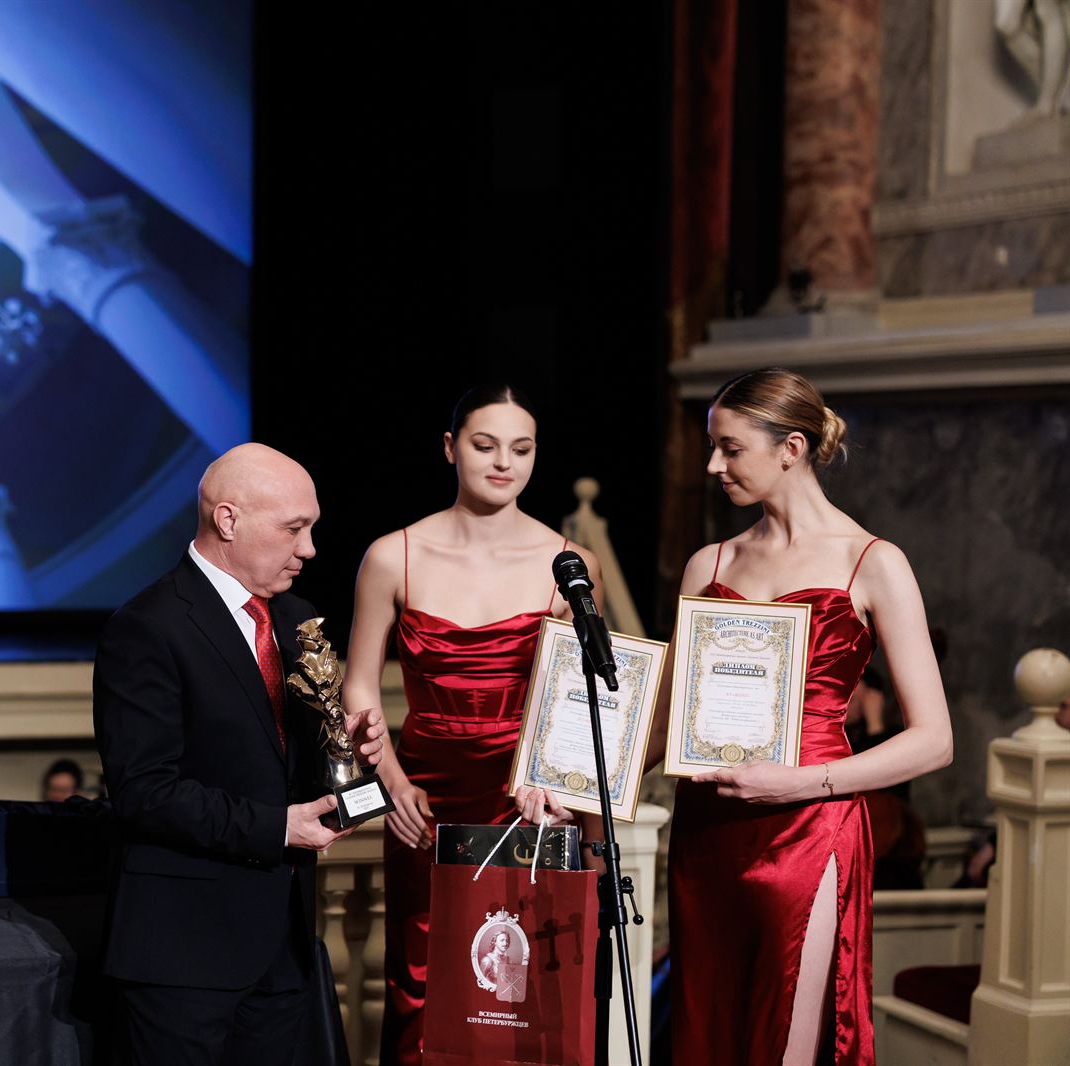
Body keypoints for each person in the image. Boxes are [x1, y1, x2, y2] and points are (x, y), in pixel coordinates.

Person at [650, 367, 953, 1065]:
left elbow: (935, 740)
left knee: (783, 1036)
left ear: (791, 448)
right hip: (707, 833)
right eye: (712, 446)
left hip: (808, 827)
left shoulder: (873, 562)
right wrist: (572, 782)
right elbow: (665, 725)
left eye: (730, 448)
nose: (713, 465)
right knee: (706, 1035)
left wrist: (799, 782)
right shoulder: (708, 564)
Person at [93, 442, 387, 1066]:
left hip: (283, 949)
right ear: (228, 520)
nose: (310, 548)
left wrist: (351, 753)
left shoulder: (298, 619)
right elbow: (144, 791)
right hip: (182, 957)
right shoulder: (147, 626)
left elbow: (292, 766)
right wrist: (279, 827)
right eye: (293, 529)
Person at [343, 385, 589, 1066]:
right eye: (485, 445)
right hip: (423, 794)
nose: (504, 462)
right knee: (420, 982)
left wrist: (552, 782)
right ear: (451, 448)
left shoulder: (568, 563)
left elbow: (576, 699)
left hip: (525, 798)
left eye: (521, 448)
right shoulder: (394, 555)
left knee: (522, 991)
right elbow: (358, 686)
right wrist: (392, 785)